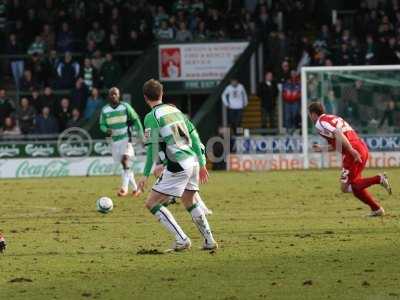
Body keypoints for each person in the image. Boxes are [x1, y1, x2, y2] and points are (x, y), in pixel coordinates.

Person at [137, 79, 217, 251]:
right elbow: (194, 136)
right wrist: (202, 163)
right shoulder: (175, 110)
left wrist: (144, 175)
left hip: (178, 164)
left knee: (151, 203)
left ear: (145, 98)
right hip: (193, 161)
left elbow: (152, 148)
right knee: (189, 200)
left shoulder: (151, 117)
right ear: (162, 93)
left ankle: (182, 240)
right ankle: (209, 241)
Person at [308, 102, 391, 217]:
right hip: (360, 147)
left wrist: (351, 150)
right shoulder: (332, 118)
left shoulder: (320, 123)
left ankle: (379, 179)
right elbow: (338, 144)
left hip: (353, 151)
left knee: (346, 187)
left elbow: (338, 133)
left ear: (313, 114)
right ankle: (376, 209)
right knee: (355, 186)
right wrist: (322, 148)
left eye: (309, 115)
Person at [99, 87, 144, 197]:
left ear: (119, 95)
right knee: (125, 166)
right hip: (114, 141)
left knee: (125, 160)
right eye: (111, 94)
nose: (113, 96)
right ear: (109, 96)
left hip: (126, 139)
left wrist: (141, 136)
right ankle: (136, 188)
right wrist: (106, 129)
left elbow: (135, 120)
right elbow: (101, 124)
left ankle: (124, 189)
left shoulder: (125, 107)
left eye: (115, 94)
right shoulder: (105, 110)